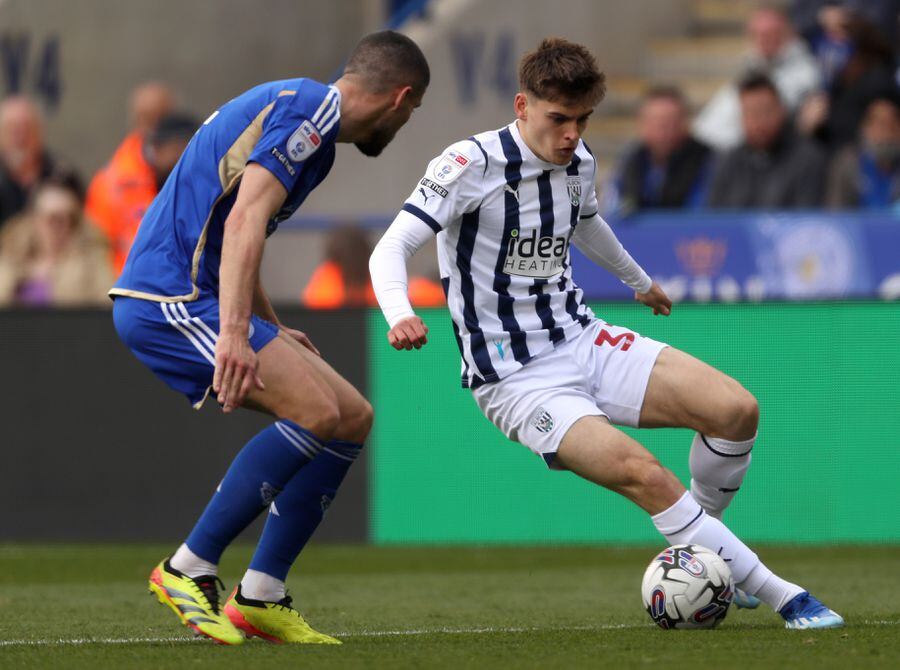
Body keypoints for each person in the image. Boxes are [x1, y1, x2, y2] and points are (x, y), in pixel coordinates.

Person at [369, 37, 843, 631]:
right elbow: (390, 247)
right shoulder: (468, 165)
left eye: (583, 119)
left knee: (736, 410)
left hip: (583, 339)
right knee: (646, 474)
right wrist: (398, 312)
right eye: (558, 119)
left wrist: (639, 281)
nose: (571, 134)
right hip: (516, 379)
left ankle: (712, 554)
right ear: (522, 106)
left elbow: (587, 223)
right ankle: (783, 595)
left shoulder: (580, 161)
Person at [109, 30, 430, 645]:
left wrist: (271, 326)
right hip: (170, 299)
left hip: (199, 295)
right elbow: (246, 222)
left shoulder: (311, 123)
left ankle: (259, 594)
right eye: (411, 113)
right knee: (315, 411)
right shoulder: (311, 112)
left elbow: (238, 223)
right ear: (400, 98)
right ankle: (188, 567)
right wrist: (235, 334)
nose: (405, 123)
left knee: (352, 416)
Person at [693, 5, 821, 151]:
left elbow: (763, 122)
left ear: (788, 34)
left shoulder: (805, 73)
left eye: (770, 34)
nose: (762, 40)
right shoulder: (753, 65)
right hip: (712, 143)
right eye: (757, 35)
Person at [87, 112, 197, 274]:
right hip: (126, 285)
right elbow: (96, 247)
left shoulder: (195, 182)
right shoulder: (111, 185)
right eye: (179, 149)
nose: (185, 158)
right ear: (157, 149)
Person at [707, 72, 827, 208]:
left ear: (782, 111)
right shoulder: (728, 161)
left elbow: (807, 221)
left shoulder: (808, 158)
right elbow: (714, 218)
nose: (759, 121)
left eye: (766, 111)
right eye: (751, 113)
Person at [0, 173, 112, 306]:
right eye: (52, 219)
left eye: (69, 218)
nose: (59, 226)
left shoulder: (92, 259)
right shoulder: (12, 253)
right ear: (35, 219)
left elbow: (107, 307)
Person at [609, 86, 711, 216]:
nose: (664, 130)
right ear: (641, 124)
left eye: (671, 122)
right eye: (656, 122)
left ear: (685, 123)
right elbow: (614, 209)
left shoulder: (708, 162)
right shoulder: (630, 161)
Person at [0, 96, 80, 230]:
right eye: (12, 129)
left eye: (26, 128)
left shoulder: (63, 176)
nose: (20, 137)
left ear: (39, 132)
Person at [827, 94, 900, 208]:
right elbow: (836, 212)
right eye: (880, 124)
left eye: (893, 124)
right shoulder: (847, 163)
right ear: (865, 127)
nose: (886, 132)